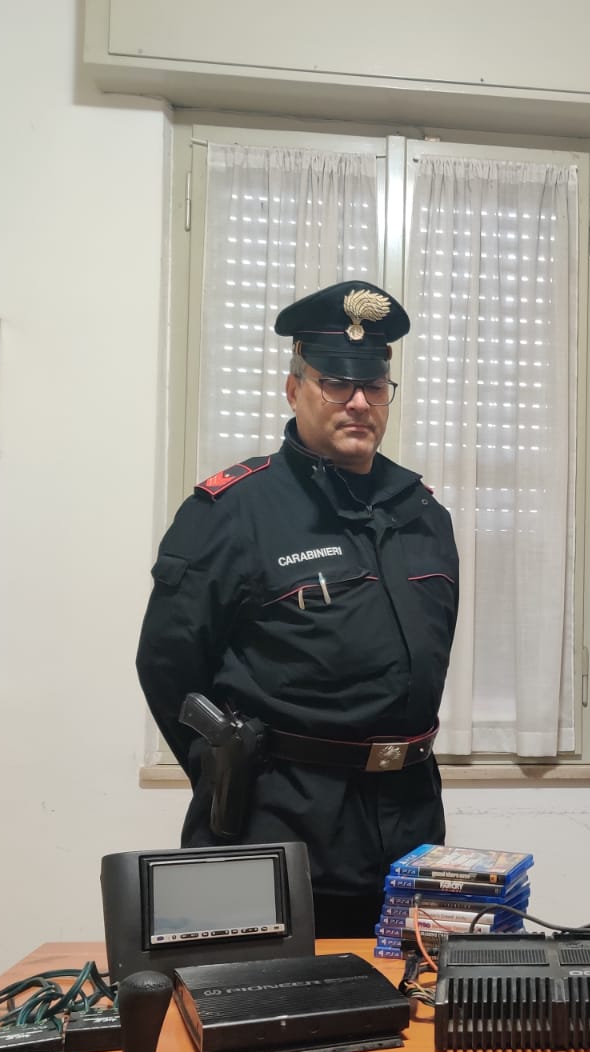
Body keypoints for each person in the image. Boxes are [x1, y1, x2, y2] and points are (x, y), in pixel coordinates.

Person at [137, 281, 458, 938]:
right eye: (335, 383)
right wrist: (228, 770)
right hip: (277, 829)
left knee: (407, 993)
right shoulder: (232, 513)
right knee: (270, 997)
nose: (358, 402)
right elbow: (168, 667)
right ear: (295, 389)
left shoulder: (423, 513)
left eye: (374, 385)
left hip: (408, 829)